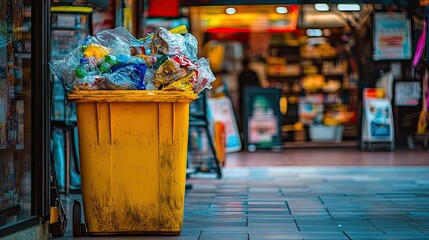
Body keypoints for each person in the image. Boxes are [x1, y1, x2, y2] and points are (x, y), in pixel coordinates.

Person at [237, 58, 261, 138]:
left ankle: (251, 132)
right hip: (247, 99)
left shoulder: (244, 75)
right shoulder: (245, 74)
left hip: (248, 98)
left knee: (251, 115)